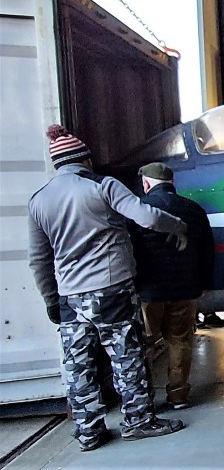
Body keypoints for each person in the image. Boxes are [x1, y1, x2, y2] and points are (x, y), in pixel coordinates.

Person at [27, 126, 188, 451]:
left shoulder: (39, 200)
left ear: (58, 164)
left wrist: (51, 300)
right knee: (126, 357)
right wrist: (178, 226)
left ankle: (88, 431)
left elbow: (39, 260)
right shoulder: (103, 186)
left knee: (79, 365)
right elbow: (147, 217)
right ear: (85, 159)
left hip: (70, 298)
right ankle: (138, 421)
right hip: (111, 290)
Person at [131, 163, 214, 410]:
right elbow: (207, 250)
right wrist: (204, 282)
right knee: (180, 341)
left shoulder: (139, 209)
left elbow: (130, 251)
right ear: (171, 181)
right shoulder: (194, 209)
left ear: (146, 183)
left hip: (149, 291)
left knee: (144, 343)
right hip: (186, 289)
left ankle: (143, 399)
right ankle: (178, 395)